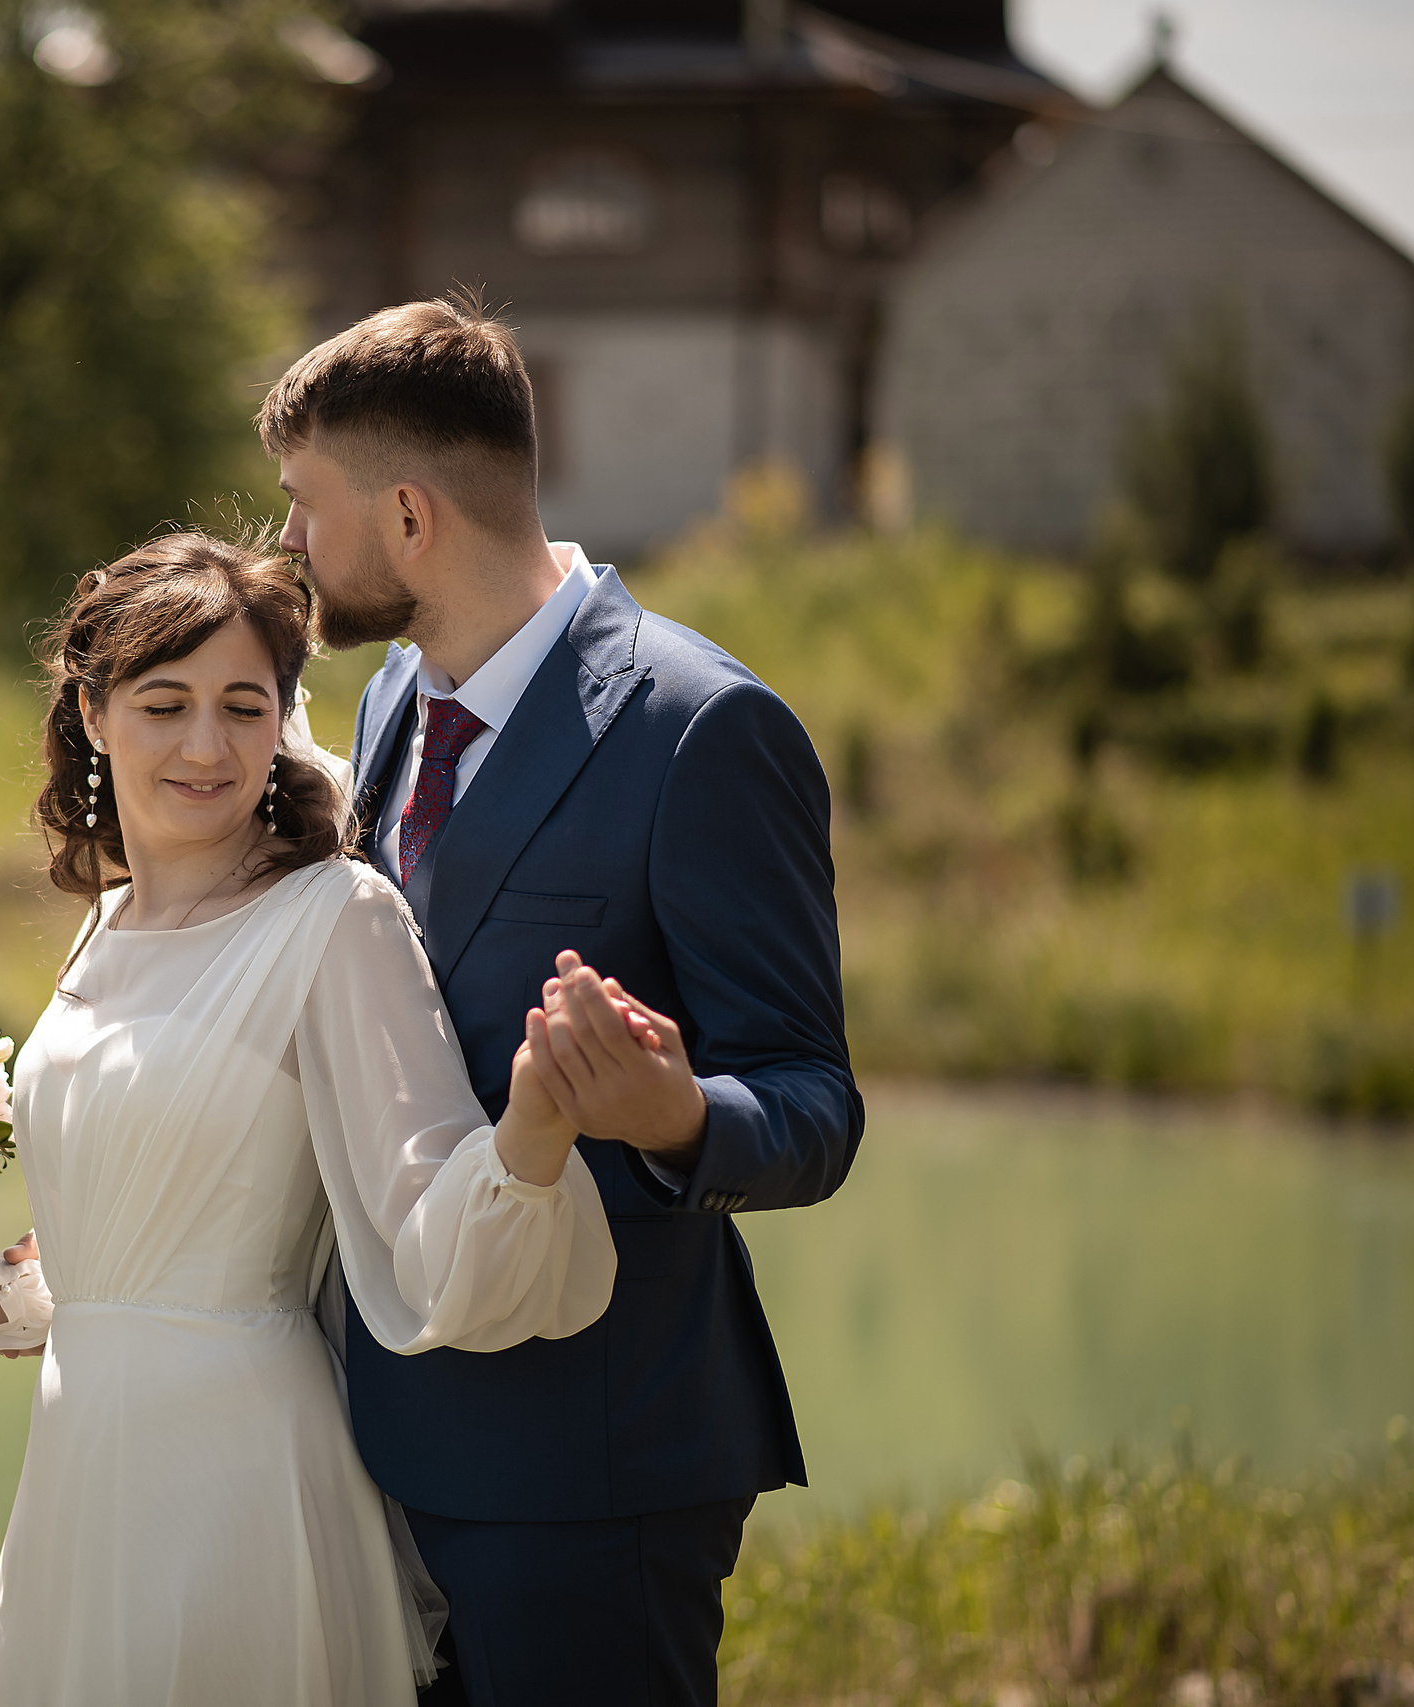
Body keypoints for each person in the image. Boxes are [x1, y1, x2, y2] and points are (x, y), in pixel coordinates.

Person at [0, 532, 649, 1706]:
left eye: (242, 706)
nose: (206, 746)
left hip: (239, 1474)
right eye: (164, 705)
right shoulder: (102, 923)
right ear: (93, 715)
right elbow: (157, 1232)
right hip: (82, 1470)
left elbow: (421, 1210)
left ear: (282, 720)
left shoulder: (335, 919)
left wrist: (533, 1126)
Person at [261, 293, 863, 1706]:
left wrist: (674, 1113)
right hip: (379, 1438)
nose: (287, 543)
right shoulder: (391, 697)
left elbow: (813, 1104)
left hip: (591, 1470)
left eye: (304, 505)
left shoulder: (702, 729)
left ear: (410, 516)